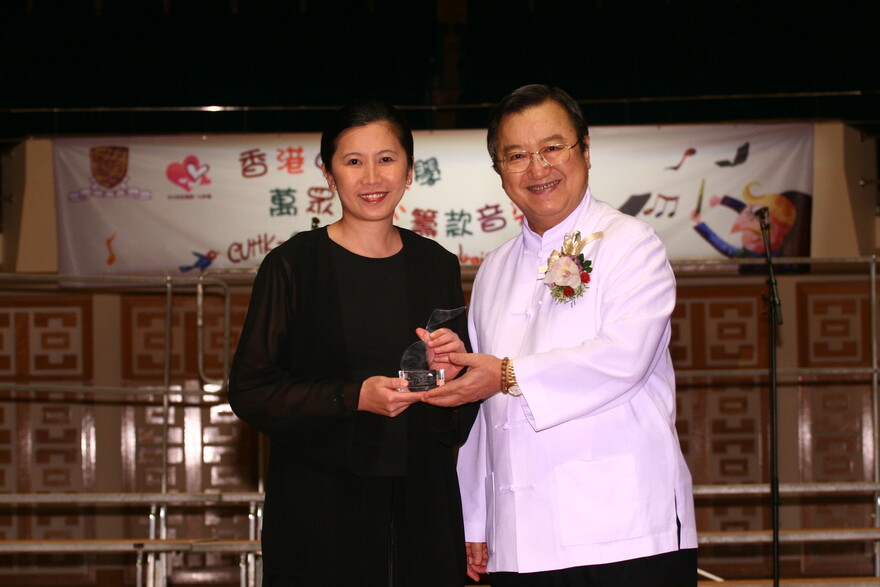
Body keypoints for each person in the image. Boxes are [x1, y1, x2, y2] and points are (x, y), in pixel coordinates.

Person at [424, 84, 698, 586]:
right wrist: (475, 518)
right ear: (500, 172)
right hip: (519, 540)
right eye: (516, 155)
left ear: (585, 151)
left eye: (553, 148)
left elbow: (622, 358)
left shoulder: (631, 244)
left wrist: (506, 374)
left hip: (624, 529)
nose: (538, 168)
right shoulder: (493, 269)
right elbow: (481, 408)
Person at [228, 98, 479, 586]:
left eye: (386, 159)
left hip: (422, 504)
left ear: (409, 172)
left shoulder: (437, 265)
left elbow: (458, 407)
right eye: (353, 161)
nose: (372, 177)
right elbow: (251, 389)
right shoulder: (292, 266)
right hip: (319, 506)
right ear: (329, 174)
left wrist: (451, 375)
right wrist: (353, 398)